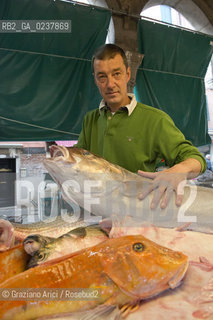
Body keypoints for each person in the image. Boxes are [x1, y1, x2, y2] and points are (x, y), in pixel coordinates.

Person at [76, 44, 206, 209]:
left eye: (117, 74)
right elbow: (79, 158)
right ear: (95, 79)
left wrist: (179, 170)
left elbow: (197, 159)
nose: (110, 84)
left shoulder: (155, 120)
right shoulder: (91, 119)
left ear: (128, 74)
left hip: (139, 214)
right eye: (102, 76)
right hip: (96, 211)